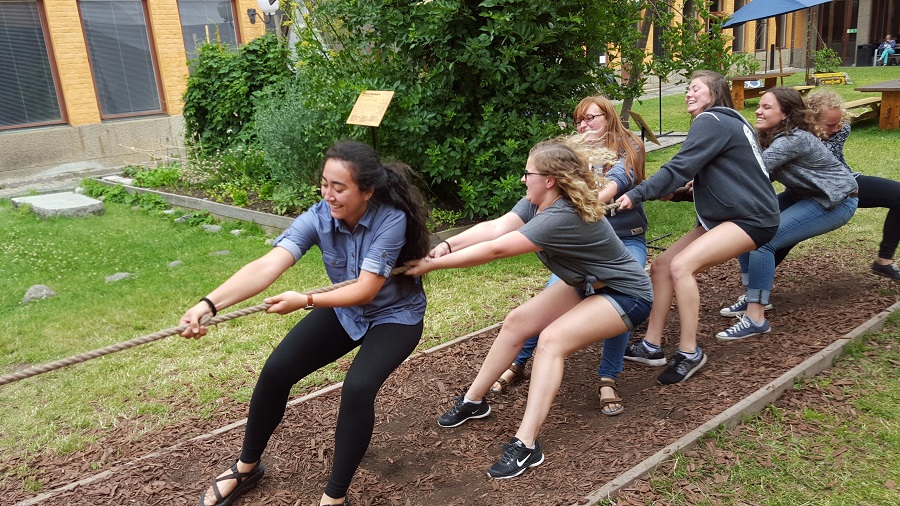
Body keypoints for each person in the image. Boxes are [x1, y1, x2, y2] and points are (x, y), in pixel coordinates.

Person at [180, 141, 431, 506]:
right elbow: (269, 264)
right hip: (345, 311)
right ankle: (247, 467)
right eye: (324, 184)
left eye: (339, 187)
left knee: (358, 388)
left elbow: (366, 289)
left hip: (395, 316)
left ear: (367, 191)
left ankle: (334, 497)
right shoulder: (319, 216)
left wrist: (307, 300)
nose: (328, 195)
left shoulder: (391, 219)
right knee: (277, 370)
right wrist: (209, 305)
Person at [405, 135, 653, 479]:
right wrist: (447, 245)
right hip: (587, 284)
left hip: (628, 293)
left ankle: (526, 445)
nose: (523, 179)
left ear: (549, 180)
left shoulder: (561, 215)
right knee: (518, 321)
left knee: (551, 341)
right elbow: (496, 228)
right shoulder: (536, 203)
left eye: (528, 173)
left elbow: (497, 249)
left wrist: (432, 265)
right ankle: (473, 401)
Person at [617, 69, 781, 385]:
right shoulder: (728, 121)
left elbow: (679, 167)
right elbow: (728, 176)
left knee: (681, 266)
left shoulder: (711, 120)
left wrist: (636, 194)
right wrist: (679, 193)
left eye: (696, 88)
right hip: (731, 215)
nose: (689, 94)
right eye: (688, 89)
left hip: (751, 218)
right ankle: (651, 345)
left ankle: (689, 351)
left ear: (714, 95)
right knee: (662, 266)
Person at [490, 95, 647, 417]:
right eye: (579, 120)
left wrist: (580, 204)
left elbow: (615, 183)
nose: (584, 125)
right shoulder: (573, 155)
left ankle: (608, 377)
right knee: (549, 297)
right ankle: (518, 363)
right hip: (581, 247)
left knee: (620, 295)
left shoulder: (629, 147)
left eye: (591, 118)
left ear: (609, 118)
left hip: (624, 239)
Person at [716, 87, 858, 339]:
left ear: (785, 114)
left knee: (763, 241)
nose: (758, 111)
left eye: (767, 107)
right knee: (746, 226)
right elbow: (757, 176)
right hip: (805, 193)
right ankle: (753, 296)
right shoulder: (770, 137)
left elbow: (754, 171)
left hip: (835, 201)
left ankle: (756, 319)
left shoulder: (792, 140)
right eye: (759, 106)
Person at [769, 91, 900, 281]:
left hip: (842, 184)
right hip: (805, 189)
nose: (837, 128)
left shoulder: (838, 130)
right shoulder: (792, 137)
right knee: (784, 232)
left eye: (839, 122)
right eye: (830, 124)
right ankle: (757, 278)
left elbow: (825, 163)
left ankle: (884, 261)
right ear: (810, 119)